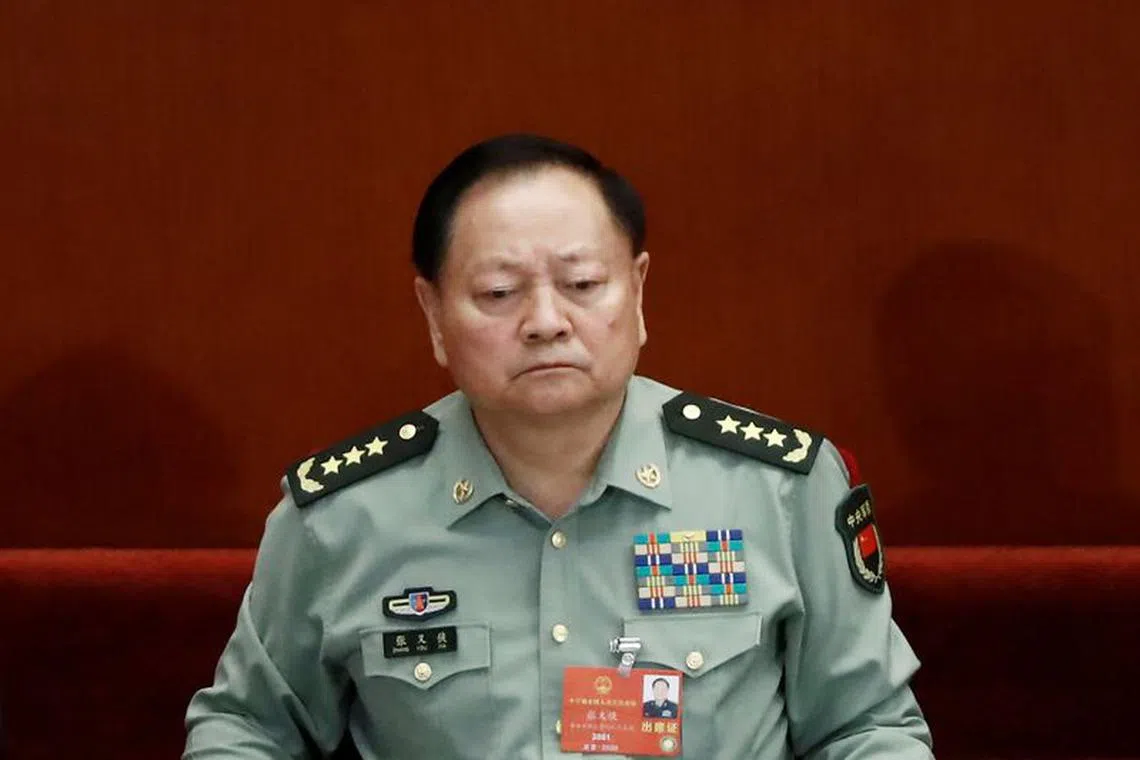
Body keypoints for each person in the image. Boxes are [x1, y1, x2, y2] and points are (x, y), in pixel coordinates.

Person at [184, 134, 934, 758]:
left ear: (638, 291)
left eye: (581, 284)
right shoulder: (341, 517)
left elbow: (865, 728)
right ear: (434, 315)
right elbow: (248, 729)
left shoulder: (777, 488)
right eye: (499, 294)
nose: (546, 322)